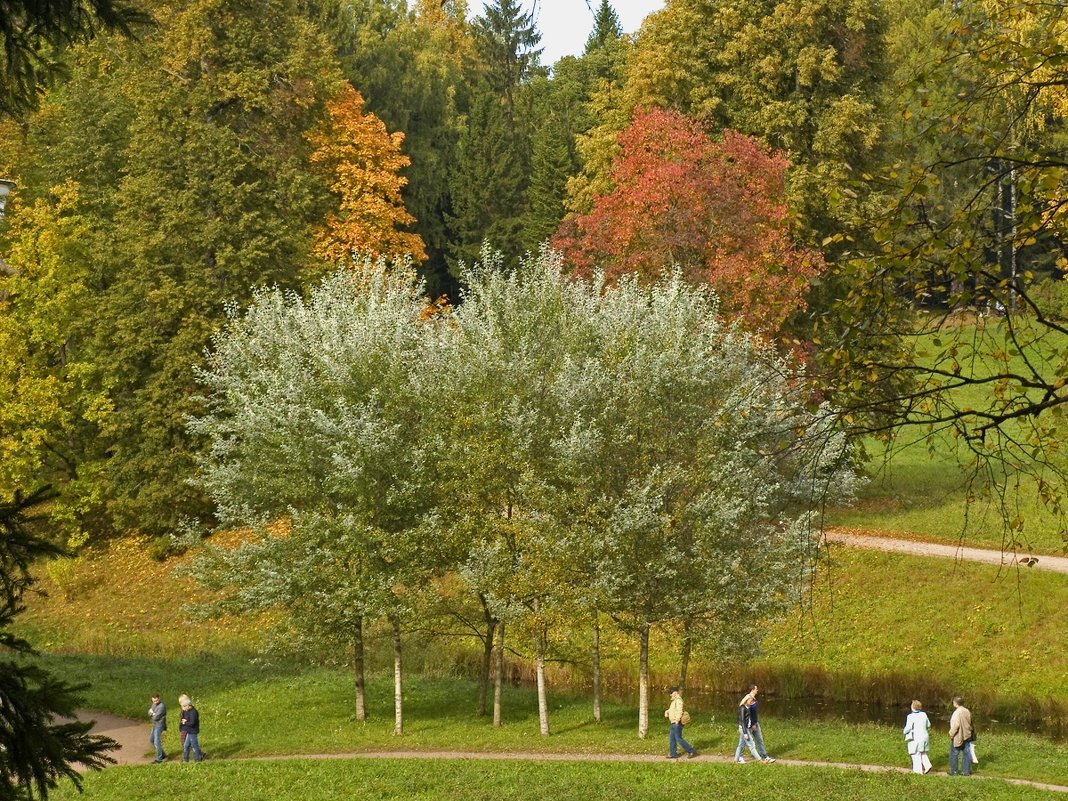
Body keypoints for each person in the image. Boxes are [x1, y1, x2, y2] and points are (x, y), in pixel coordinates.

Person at [741, 685, 776, 763]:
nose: (757, 690)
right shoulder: (749, 699)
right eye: (756, 689)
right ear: (752, 689)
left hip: (755, 723)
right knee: (744, 742)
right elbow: (747, 712)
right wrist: (753, 724)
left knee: (759, 740)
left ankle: (765, 756)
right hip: (750, 725)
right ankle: (739, 757)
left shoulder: (753, 698)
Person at [663, 687, 697, 759]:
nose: (670, 695)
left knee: (678, 738)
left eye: (671, 693)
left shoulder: (678, 701)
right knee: (672, 738)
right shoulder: (674, 701)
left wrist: (677, 720)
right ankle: (673, 754)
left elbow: (679, 711)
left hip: (676, 723)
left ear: (675, 692)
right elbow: (672, 710)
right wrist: (667, 712)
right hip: (673, 722)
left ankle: (691, 751)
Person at [902, 699, 933, 774]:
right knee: (922, 752)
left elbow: (908, 728)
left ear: (912, 707)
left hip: (916, 737)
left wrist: (904, 731)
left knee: (915, 754)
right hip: (924, 736)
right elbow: (928, 725)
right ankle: (927, 765)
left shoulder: (910, 716)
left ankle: (918, 772)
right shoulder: (924, 714)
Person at [948, 696, 973, 776]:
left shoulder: (957, 713)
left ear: (955, 703)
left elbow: (956, 725)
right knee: (966, 753)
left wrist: (951, 734)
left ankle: (954, 771)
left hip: (958, 736)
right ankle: (966, 771)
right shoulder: (967, 711)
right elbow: (971, 722)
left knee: (954, 753)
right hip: (967, 735)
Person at [735, 694, 762, 763]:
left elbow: (749, 718)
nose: (751, 701)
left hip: (747, 728)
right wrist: (745, 733)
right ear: (746, 700)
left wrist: (752, 725)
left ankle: (736, 760)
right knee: (752, 745)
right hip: (744, 729)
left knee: (741, 745)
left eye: (752, 700)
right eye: (750, 700)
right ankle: (760, 760)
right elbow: (742, 721)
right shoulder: (742, 708)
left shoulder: (748, 707)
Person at [178, 694, 204, 763]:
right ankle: (185, 760)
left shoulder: (193, 712)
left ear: (187, 705)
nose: (182, 709)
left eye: (183, 707)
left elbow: (192, 723)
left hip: (193, 732)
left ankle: (197, 759)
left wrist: (185, 722)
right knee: (186, 746)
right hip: (189, 732)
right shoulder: (187, 711)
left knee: (194, 746)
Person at [147, 693, 167, 763]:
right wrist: (152, 713)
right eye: (154, 701)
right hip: (155, 725)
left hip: (160, 725)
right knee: (151, 739)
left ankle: (159, 759)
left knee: (156, 741)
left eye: (157, 700)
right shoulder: (154, 705)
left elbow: (156, 717)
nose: (155, 702)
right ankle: (163, 754)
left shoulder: (162, 706)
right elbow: (148, 713)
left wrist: (152, 713)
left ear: (159, 698)